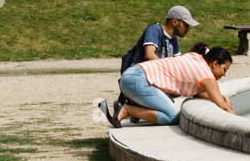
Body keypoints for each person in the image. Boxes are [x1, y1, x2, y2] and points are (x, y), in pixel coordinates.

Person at [99, 47, 235, 127]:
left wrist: (223, 99)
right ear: (215, 64)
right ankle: (127, 110)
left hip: (131, 76)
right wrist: (236, 119)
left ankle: (130, 108)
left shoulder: (196, 58)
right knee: (173, 117)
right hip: (139, 81)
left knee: (168, 109)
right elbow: (222, 106)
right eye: (225, 69)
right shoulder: (205, 73)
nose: (225, 75)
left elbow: (200, 94)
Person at [107, 5, 201, 120]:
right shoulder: (155, 30)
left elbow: (178, 63)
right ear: (175, 22)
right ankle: (131, 106)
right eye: (186, 25)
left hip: (154, 80)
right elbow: (149, 54)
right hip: (141, 78)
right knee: (172, 115)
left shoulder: (173, 39)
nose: (188, 28)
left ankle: (138, 108)